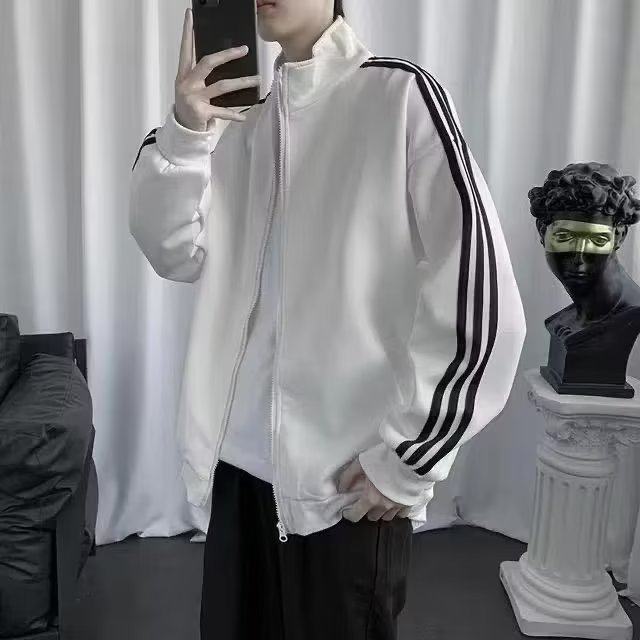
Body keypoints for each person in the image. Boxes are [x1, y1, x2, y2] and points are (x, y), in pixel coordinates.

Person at [129, 1, 527, 638]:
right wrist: (184, 130)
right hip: (236, 473)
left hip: (347, 488)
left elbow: (480, 290)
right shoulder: (234, 124)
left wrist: (409, 459)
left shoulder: (398, 94)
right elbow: (170, 251)